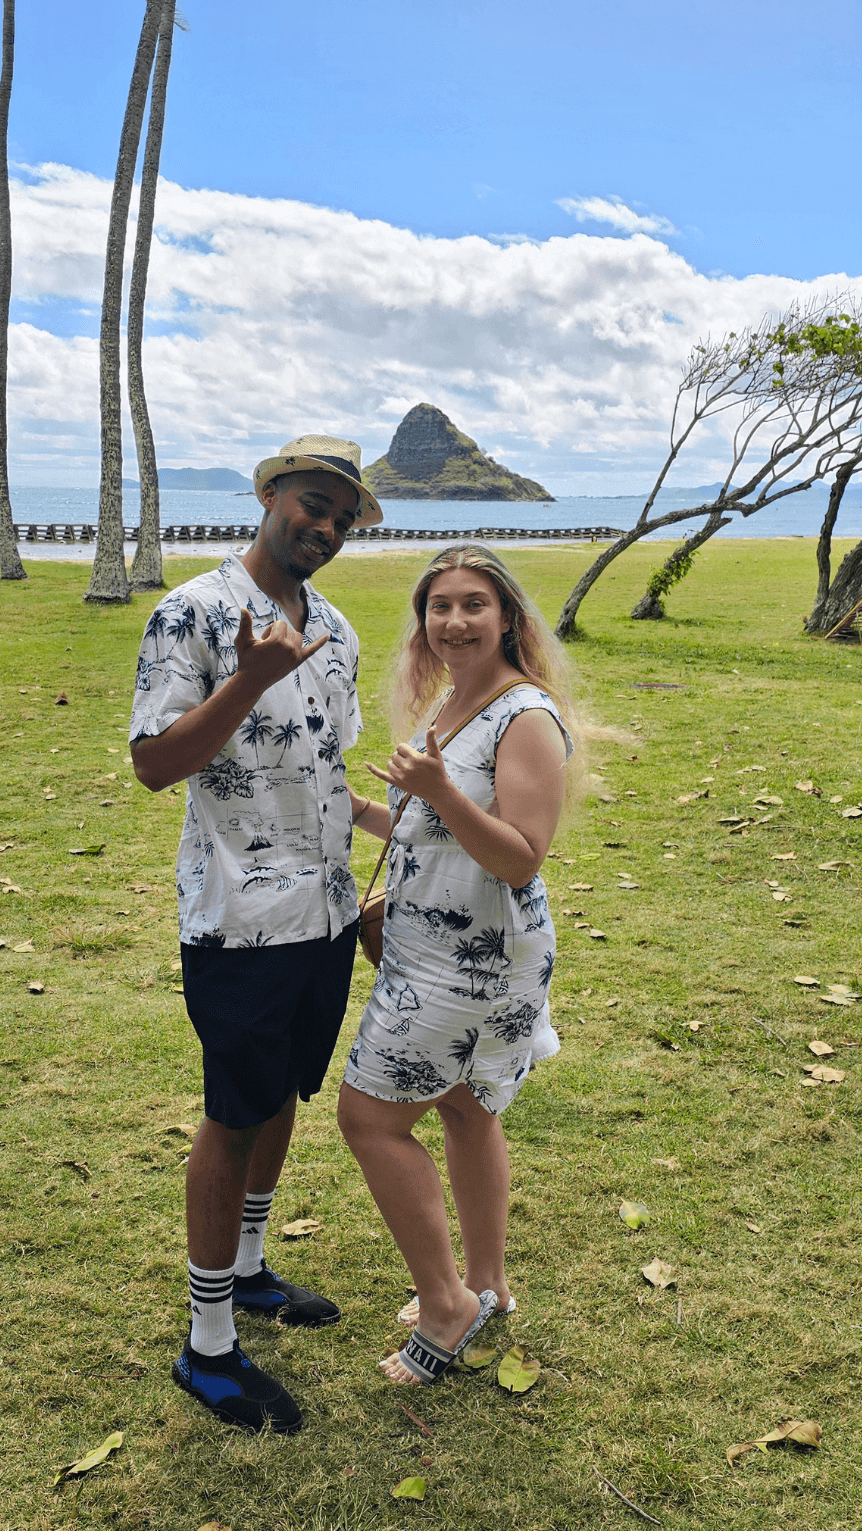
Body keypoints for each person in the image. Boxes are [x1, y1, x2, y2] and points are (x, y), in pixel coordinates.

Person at [128, 434, 385, 1434]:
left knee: (282, 1095)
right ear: (269, 495)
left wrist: (391, 819)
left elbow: (321, 768)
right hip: (238, 918)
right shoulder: (191, 612)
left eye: (339, 516)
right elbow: (156, 766)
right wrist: (244, 679)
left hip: (320, 916)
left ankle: (244, 1269)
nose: (320, 526)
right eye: (308, 503)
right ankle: (206, 1346)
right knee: (232, 1116)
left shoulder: (334, 628)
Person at [340, 545, 578, 1385]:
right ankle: (487, 1284)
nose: (454, 621)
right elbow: (421, 828)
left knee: (370, 1119)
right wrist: (351, 805)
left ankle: (448, 1308)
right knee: (467, 1107)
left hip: (475, 964)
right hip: (431, 949)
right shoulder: (453, 703)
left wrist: (439, 791)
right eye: (439, 605)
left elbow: (520, 858)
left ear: (508, 615)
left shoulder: (526, 717)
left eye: (474, 603)